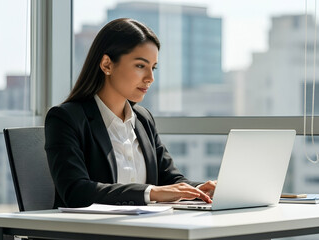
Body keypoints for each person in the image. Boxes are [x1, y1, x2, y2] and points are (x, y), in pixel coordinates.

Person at [44, 18, 216, 208]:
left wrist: (201, 189)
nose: (150, 78)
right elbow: (75, 191)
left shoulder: (143, 119)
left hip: (144, 229)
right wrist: (150, 192)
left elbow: (170, 179)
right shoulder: (66, 118)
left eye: (153, 68)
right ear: (107, 64)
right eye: (140, 66)